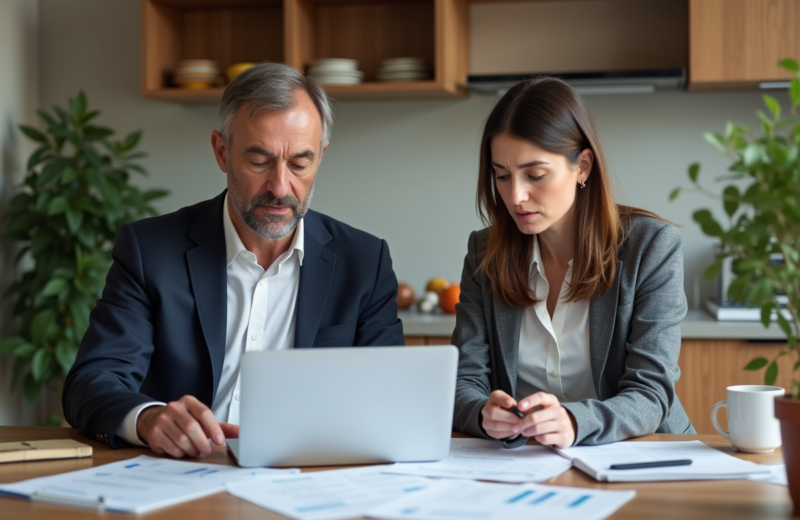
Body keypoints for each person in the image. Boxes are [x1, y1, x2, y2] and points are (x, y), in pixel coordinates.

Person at [63, 63, 404, 457]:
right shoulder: (149, 250)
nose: (279, 187)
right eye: (259, 161)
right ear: (222, 152)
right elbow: (92, 381)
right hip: (183, 476)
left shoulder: (364, 261)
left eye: (299, 163)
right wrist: (147, 418)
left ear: (321, 157)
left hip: (309, 474)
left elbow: (388, 399)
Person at [452, 77, 694, 449]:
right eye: (501, 176)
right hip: (524, 464)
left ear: (582, 166)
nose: (515, 196)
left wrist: (574, 421)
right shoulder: (484, 253)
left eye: (535, 175)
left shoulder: (651, 247)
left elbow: (651, 394)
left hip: (640, 455)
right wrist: (483, 414)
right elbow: (463, 382)